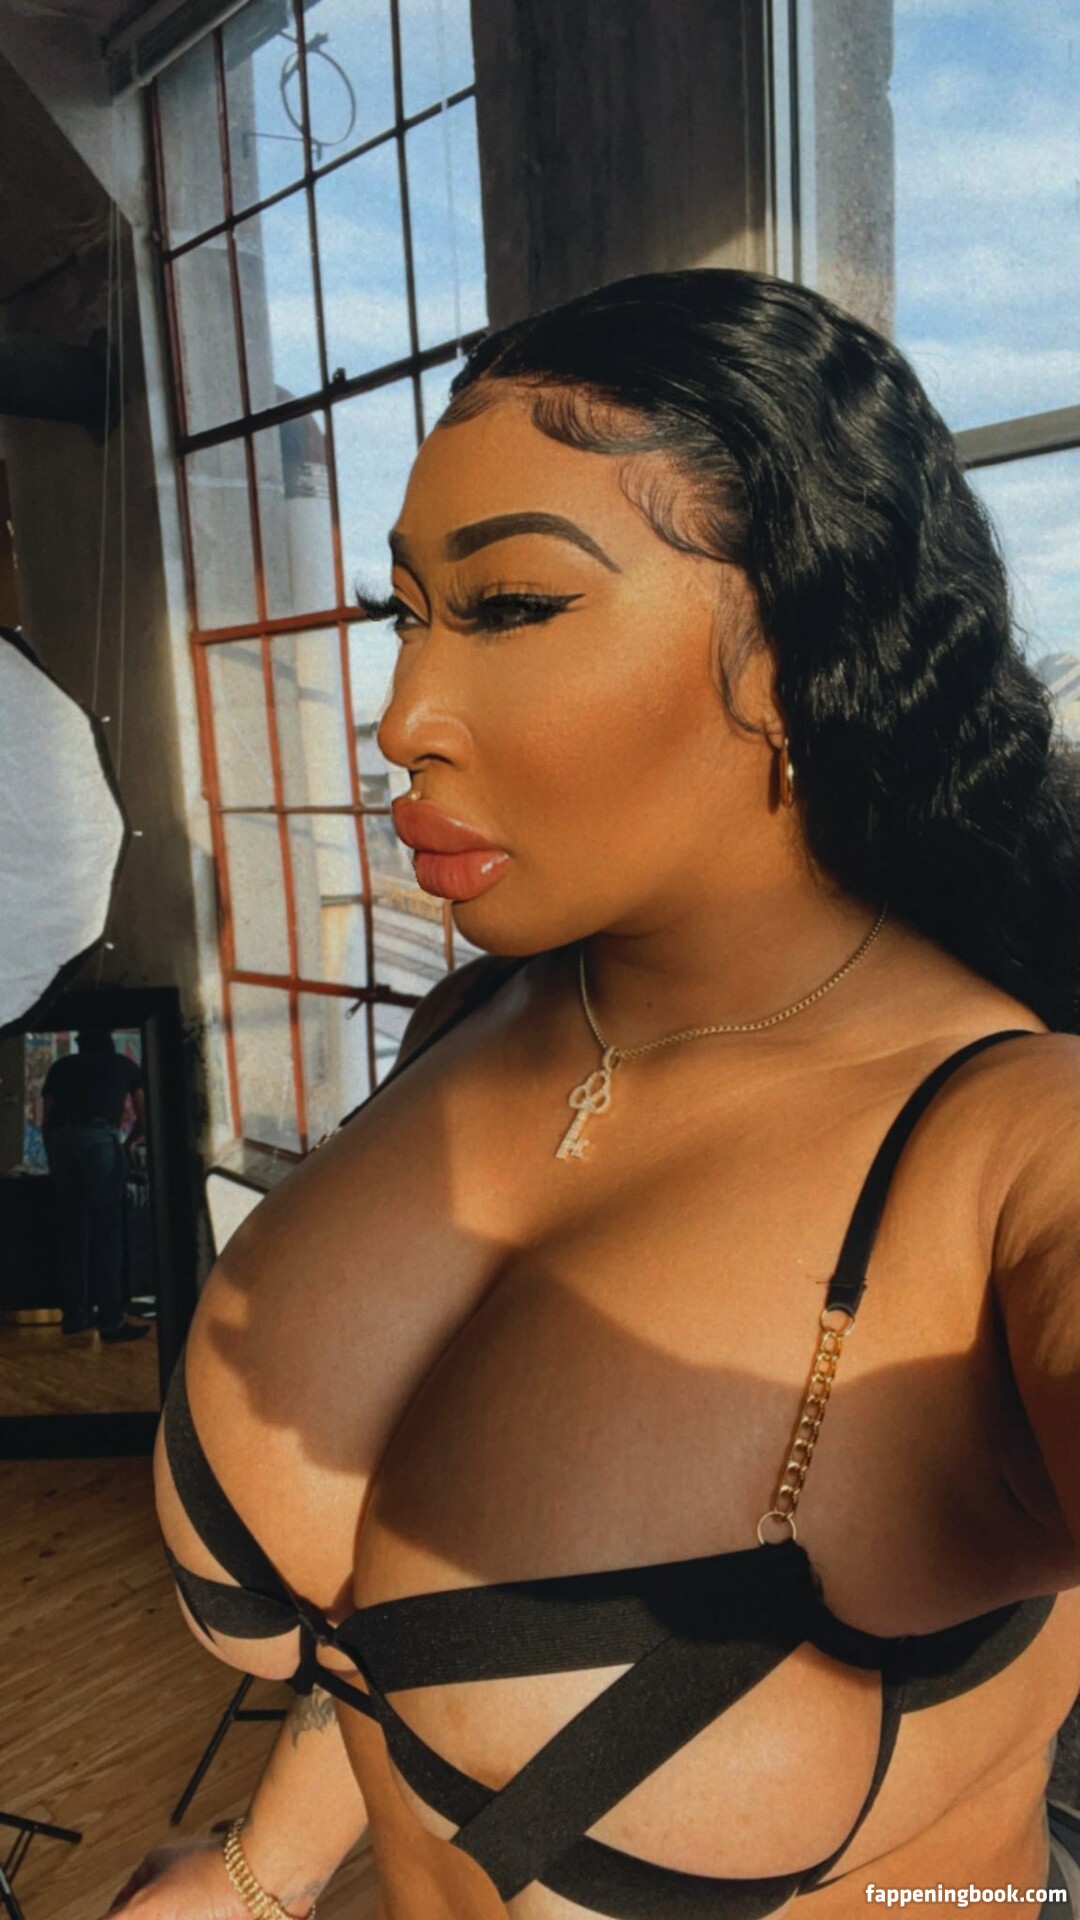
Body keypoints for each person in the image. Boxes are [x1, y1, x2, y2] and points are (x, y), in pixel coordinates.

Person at [106, 271, 1080, 1920]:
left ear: (802, 644)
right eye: (403, 615)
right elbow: (372, 1620)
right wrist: (262, 1873)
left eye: (508, 608)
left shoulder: (1009, 1150)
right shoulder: (477, 1020)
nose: (401, 720)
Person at [42, 1028, 150, 1340]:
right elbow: (144, 1116)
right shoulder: (124, 1066)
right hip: (101, 1142)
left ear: (80, 1043)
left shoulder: (61, 1067)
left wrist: (53, 1154)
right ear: (109, 1042)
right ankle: (111, 1319)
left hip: (62, 1144)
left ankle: (75, 1315)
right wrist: (127, 1144)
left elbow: (47, 1118)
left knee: (72, 1230)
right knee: (108, 1230)